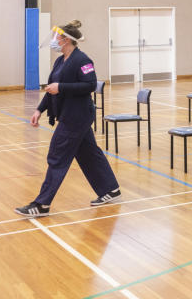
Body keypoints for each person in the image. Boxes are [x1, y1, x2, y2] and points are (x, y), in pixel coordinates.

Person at [15, 21, 121, 216]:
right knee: (89, 153)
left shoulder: (82, 60)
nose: (54, 40)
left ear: (66, 40)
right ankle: (110, 190)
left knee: (57, 156)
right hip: (69, 114)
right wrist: (39, 110)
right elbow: (52, 89)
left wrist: (61, 87)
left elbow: (89, 85)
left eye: (57, 37)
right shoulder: (59, 61)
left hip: (77, 116)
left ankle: (42, 204)